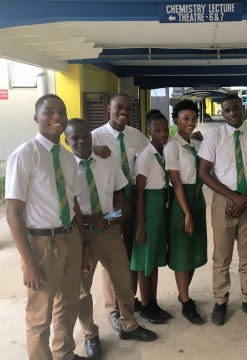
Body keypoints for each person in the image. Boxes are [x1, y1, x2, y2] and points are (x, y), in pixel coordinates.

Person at [5, 94, 93, 360]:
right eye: (49, 112)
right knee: (38, 316)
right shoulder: (24, 155)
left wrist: (84, 245)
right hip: (42, 244)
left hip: (70, 238)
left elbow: (75, 205)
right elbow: (12, 212)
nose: (57, 117)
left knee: (68, 305)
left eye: (61, 112)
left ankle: (64, 352)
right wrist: (28, 261)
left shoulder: (67, 158)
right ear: (37, 118)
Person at [64, 119, 157, 359]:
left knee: (123, 280)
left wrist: (115, 216)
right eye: (75, 138)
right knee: (83, 290)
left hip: (109, 231)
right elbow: (64, 208)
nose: (82, 141)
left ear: (92, 137)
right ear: (67, 141)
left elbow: (119, 193)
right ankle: (90, 335)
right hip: (81, 235)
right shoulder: (64, 168)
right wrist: (90, 220)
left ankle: (129, 325)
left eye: (86, 136)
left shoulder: (107, 162)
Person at [198, 94, 247, 326]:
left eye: (235, 108)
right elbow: (204, 173)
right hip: (223, 201)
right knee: (222, 257)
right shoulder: (214, 136)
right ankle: (220, 302)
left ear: (242, 108)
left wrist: (246, 199)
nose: (232, 113)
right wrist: (233, 198)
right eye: (226, 110)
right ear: (222, 112)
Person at [91, 94, 149, 331]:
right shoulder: (94, 136)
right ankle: (112, 308)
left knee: (131, 251)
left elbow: (157, 148)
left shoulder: (135, 135)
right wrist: (93, 147)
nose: (123, 111)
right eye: (119, 108)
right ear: (109, 109)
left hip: (133, 198)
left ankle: (129, 300)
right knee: (111, 255)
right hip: (111, 204)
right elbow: (72, 147)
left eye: (127, 108)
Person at [164, 100, 208, 325]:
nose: (190, 123)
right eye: (185, 119)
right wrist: (187, 213)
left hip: (197, 198)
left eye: (193, 118)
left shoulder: (194, 142)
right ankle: (186, 301)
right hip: (182, 202)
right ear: (176, 120)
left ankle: (184, 296)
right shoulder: (172, 146)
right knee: (182, 252)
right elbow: (176, 182)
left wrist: (199, 140)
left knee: (193, 250)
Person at [131, 110, 172, 324]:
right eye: (157, 130)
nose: (163, 133)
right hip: (147, 207)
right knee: (145, 260)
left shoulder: (164, 151)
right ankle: (146, 305)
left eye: (165, 129)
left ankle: (153, 301)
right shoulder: (146, 156)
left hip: (159, 207)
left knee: (153, 259)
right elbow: (139, 193)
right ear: (149, 132)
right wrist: (141, 226)